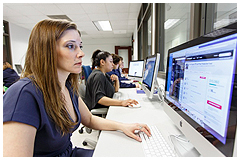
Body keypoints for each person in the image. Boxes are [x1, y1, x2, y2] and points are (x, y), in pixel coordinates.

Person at [3, 19, 151, 157]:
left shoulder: (67, 86)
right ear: (47, 51)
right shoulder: (24, 95)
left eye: (79, 46)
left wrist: (123, 126)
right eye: (70, 46)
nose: (81, 53)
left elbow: (91, 120)